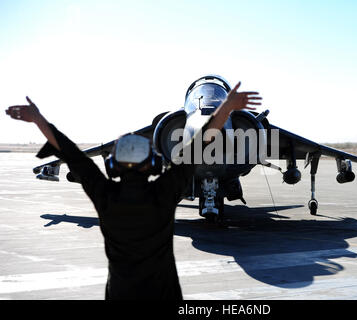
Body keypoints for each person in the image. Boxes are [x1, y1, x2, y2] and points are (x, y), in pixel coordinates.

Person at [5, 82, 261, 300]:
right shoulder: (164, 193)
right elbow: (199, 146)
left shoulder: (104, 196)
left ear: (113, 166)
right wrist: (226, 107)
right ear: (152, 164)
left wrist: (38, 119)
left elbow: (72, 154)